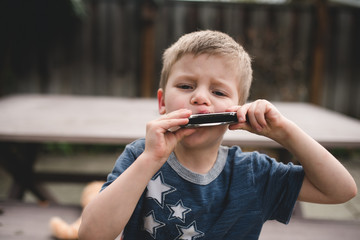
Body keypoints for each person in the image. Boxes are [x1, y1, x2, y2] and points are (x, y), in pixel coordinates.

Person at [79, 30, 357, 240]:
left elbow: (342, 190)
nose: (200, 98)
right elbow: (92, 234)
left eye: (218, 92)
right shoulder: (140, 157)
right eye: (186, 86)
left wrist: (285, 132)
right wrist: (151, 159)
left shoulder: (253, 174)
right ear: (162, 102)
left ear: (237, 109)